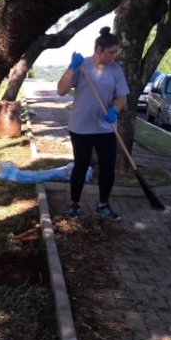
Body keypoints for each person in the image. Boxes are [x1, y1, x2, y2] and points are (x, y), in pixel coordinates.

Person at [56, 26, 129, 221]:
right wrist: (72, 67)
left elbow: (122, 97)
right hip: (81, 127)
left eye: (116, 52)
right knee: (81, 165)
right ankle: (74, 205)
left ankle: (103, 205)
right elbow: (61, 90)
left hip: (105, 127)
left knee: (107, 166)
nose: (114, 56)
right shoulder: (82, 66)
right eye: (111, 52)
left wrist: (115, 110)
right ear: (99, 49)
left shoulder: (116, 69)